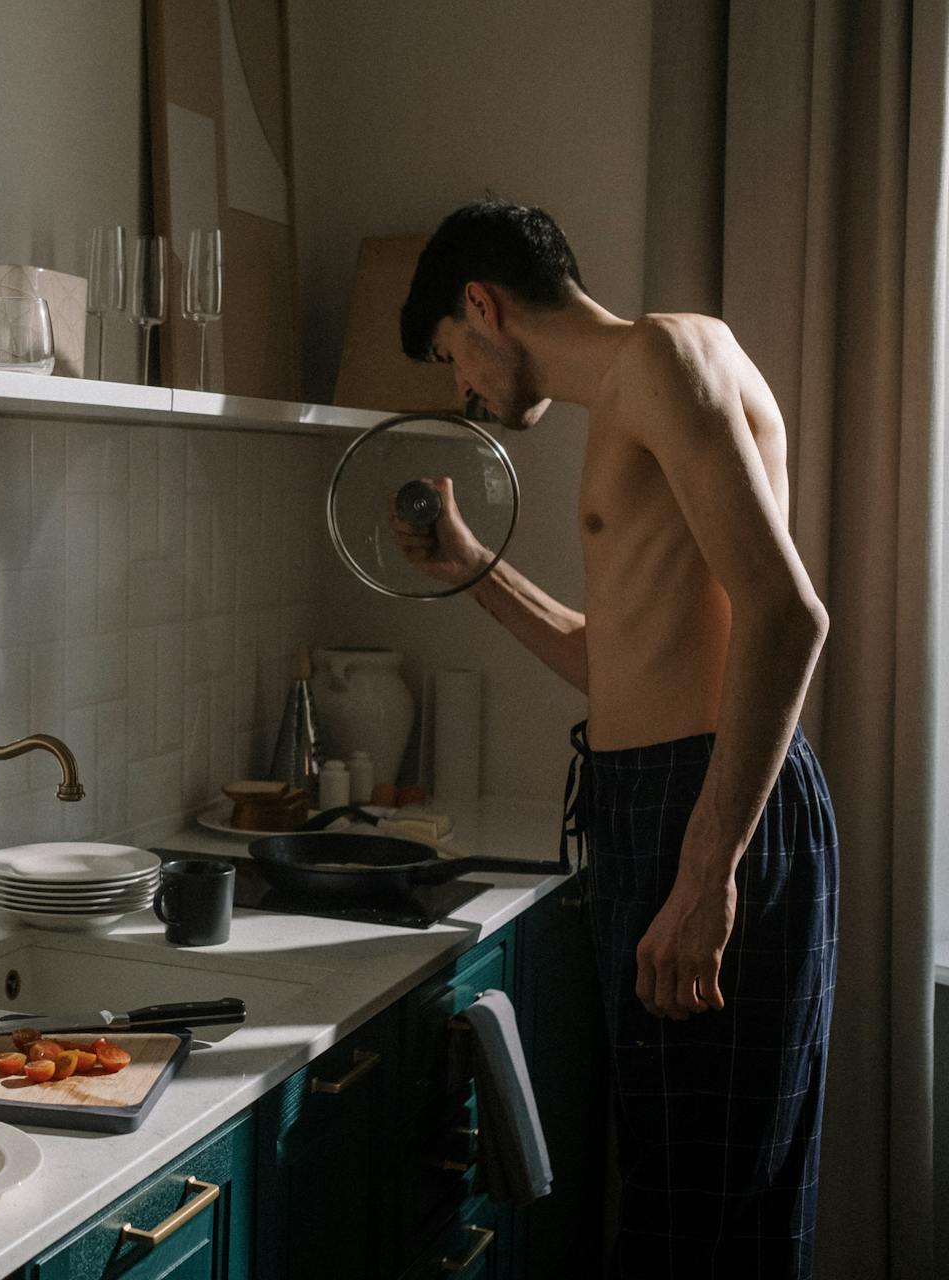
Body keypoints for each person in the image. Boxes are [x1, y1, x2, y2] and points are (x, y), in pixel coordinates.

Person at [394, 199, 839, 1279]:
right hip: (672, 791)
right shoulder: (639, 394)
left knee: (698, 1213)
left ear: (483, 305)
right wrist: (470, 568)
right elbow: (623, 665)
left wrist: (706, 870)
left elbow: (789, 616)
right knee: (689, 1187)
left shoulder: (666, 358)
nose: (465, 387)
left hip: (710, 801)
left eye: (455, 355)